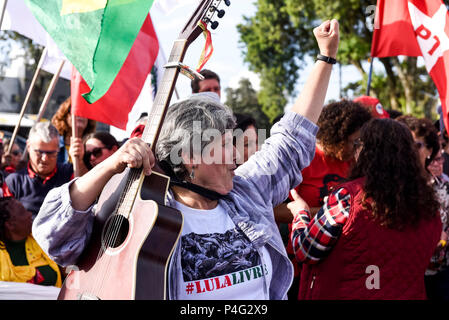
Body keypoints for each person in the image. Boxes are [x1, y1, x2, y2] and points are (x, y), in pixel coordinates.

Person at [32, 19, 340, 300]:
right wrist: (110, 166)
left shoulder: (246, 193)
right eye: (226, 144)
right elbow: (54, 235)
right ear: (191, 155)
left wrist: (325, 58)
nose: (238, 153)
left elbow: (291, 139)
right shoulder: (141, 211)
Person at [290, 118, 441, 299]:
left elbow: (305, 250)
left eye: (358, 144)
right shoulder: (428, 204)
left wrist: (301, 213)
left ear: (366, 151)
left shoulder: (348, 197)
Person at [278, 100, 372, 299]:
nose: (357, 148)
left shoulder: (356, 162)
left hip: (343, 267)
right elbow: (275, 211)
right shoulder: (304, 159)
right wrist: (326, 214)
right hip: (301, 265)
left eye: (361, 142)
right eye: (354, 142)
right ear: (337, 136)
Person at [3, 122, 73, 219]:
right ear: (28, 146)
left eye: (51, 153)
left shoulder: (70, 174)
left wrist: (79, 160)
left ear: (58, 149)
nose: (45, 158)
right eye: (39, 152)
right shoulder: (13, 182)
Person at [0, 197, 61, 287]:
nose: (29, 214)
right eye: (22, 212)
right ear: (10, 225)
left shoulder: (41, 238)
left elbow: (67, 270)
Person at [51, 97, 96, 164]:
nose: (80, 114)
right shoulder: (52, 144)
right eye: (75, 110)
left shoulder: (94, 148)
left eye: (85, 111)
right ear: (64, 115)